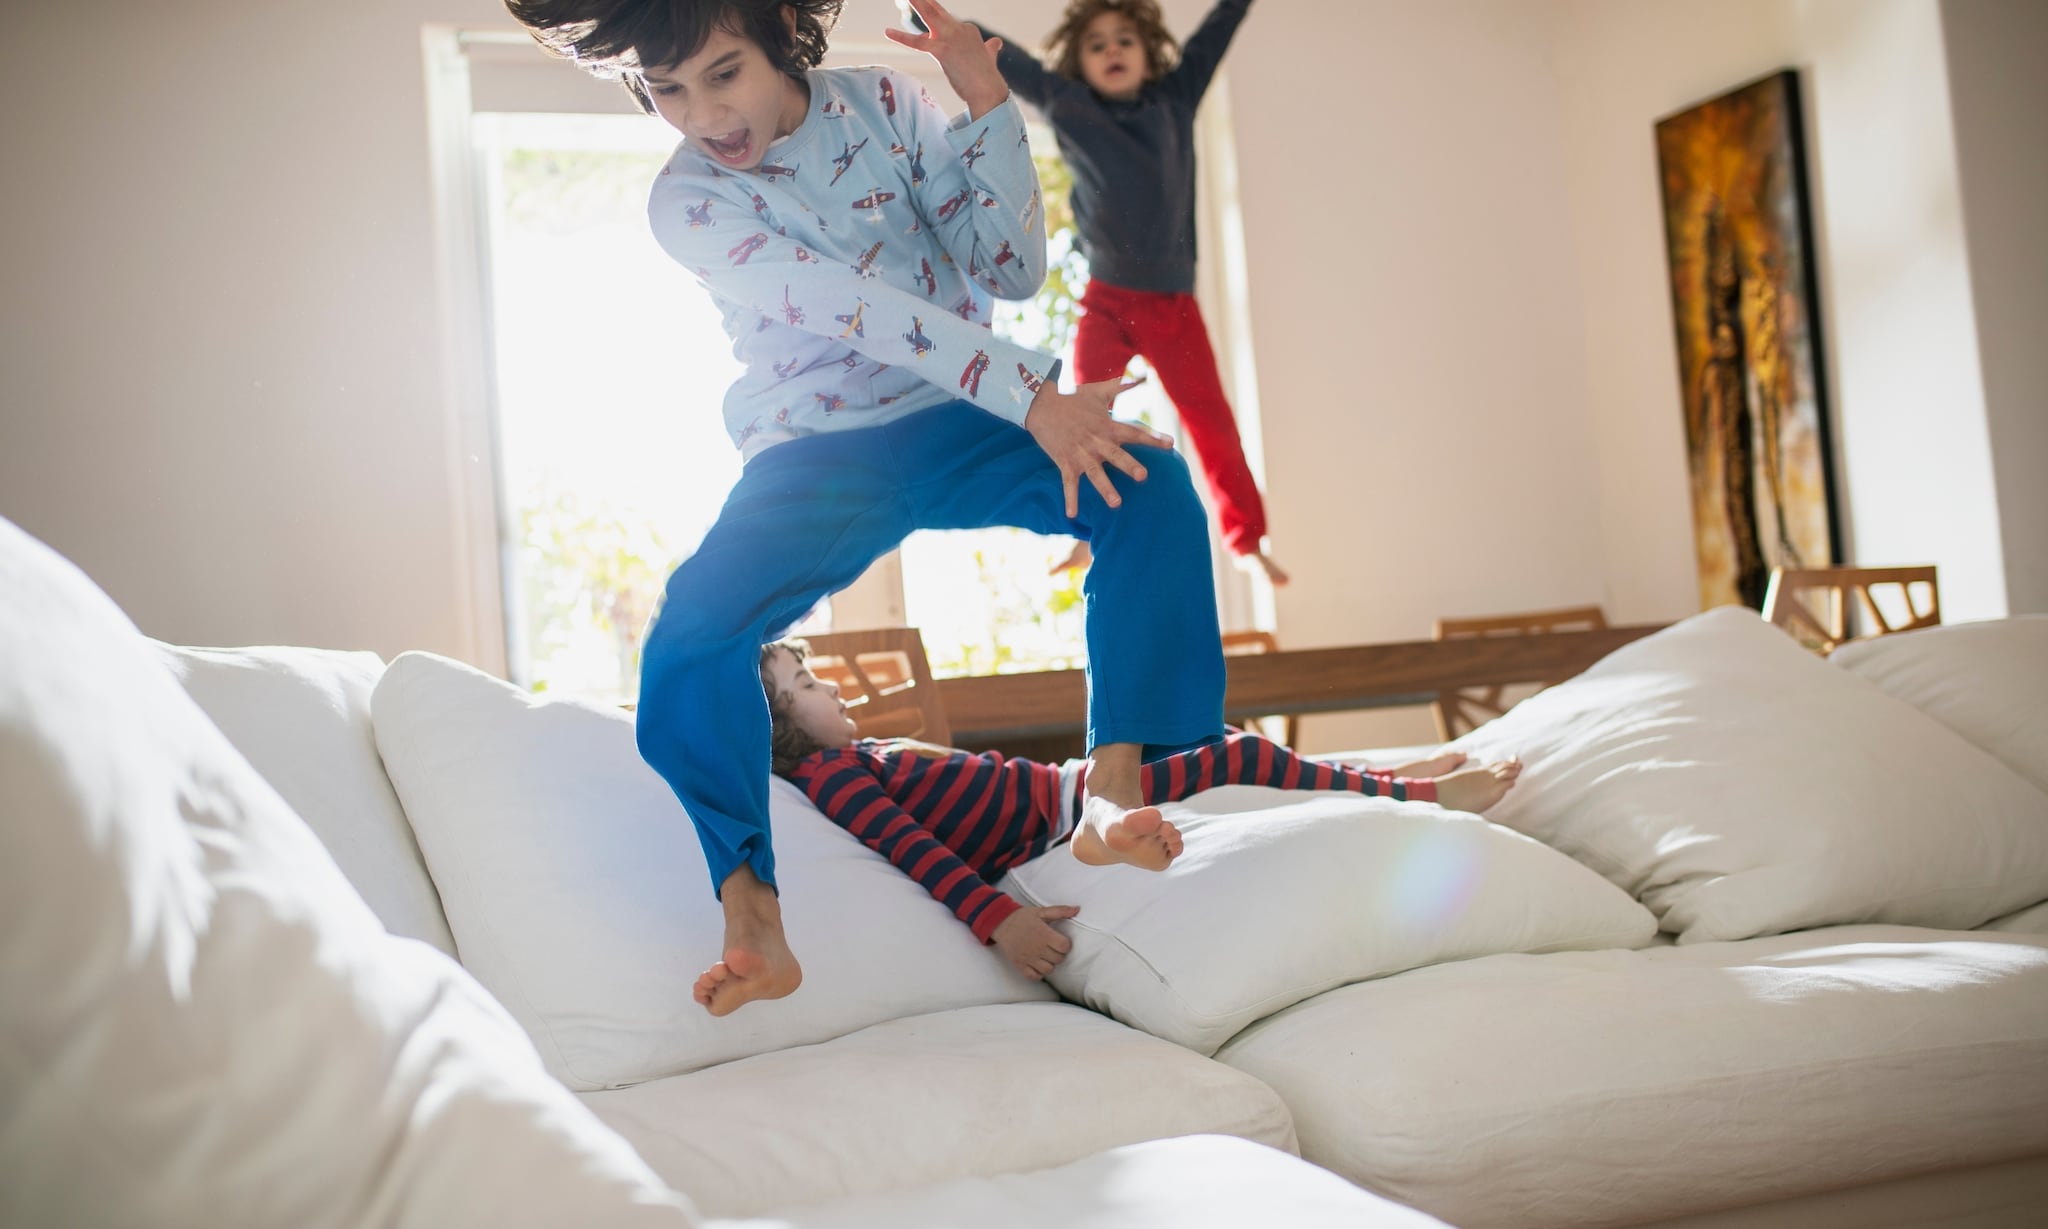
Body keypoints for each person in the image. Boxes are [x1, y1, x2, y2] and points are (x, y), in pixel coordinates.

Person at [504, 0, 1229, 1018]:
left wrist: (987, 105)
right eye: (667, 90)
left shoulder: (887, 102)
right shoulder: (688, 203)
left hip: (959, 414)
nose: (701, 114)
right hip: (816, 451)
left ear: (778, 36)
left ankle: (1112, 786)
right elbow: (858, 311)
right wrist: (1034, 398)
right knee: (689, 637)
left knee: (1145, 487)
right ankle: (752, 908)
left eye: (722, 73)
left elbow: (1010, 268)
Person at [762, 640, 1523, 981]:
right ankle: (1419, 794)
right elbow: (912, 848)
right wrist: (999, 920)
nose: (833, 688)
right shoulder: (831, 776)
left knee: (1215, 735)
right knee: (1237, 754)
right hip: (1068, 810)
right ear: (780, 727)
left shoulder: (861, 754)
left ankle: (1382, 773)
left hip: (1069, 785)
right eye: (808, 686)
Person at [950, 0, 1287, 587]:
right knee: (1086, 417)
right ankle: (1086, 533)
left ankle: (1247, 540)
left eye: (1125, 41)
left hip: (1172, 306)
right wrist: (929, 19)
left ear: (1150, 55)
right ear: (1079, 61)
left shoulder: (1175, 98)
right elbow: (1006, 58)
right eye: (1097, 43)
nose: (1112, 50)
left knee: (1212, 421)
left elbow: (1213, 36)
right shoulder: (1069, 103)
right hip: (1106, 302)